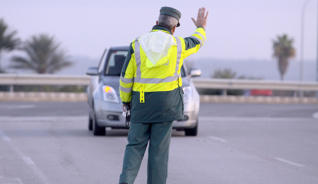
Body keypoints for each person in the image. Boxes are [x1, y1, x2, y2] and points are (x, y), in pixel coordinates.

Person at [119, 6, 208, 184]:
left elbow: (126, 78)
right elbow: (197, 41)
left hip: (141, 106)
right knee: (159, 154)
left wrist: (126, 102)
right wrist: (201, 27)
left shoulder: (137, 44)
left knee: (134, 148)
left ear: (157, 23)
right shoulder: (178, 45)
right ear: (174, 28)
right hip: (166, 106)